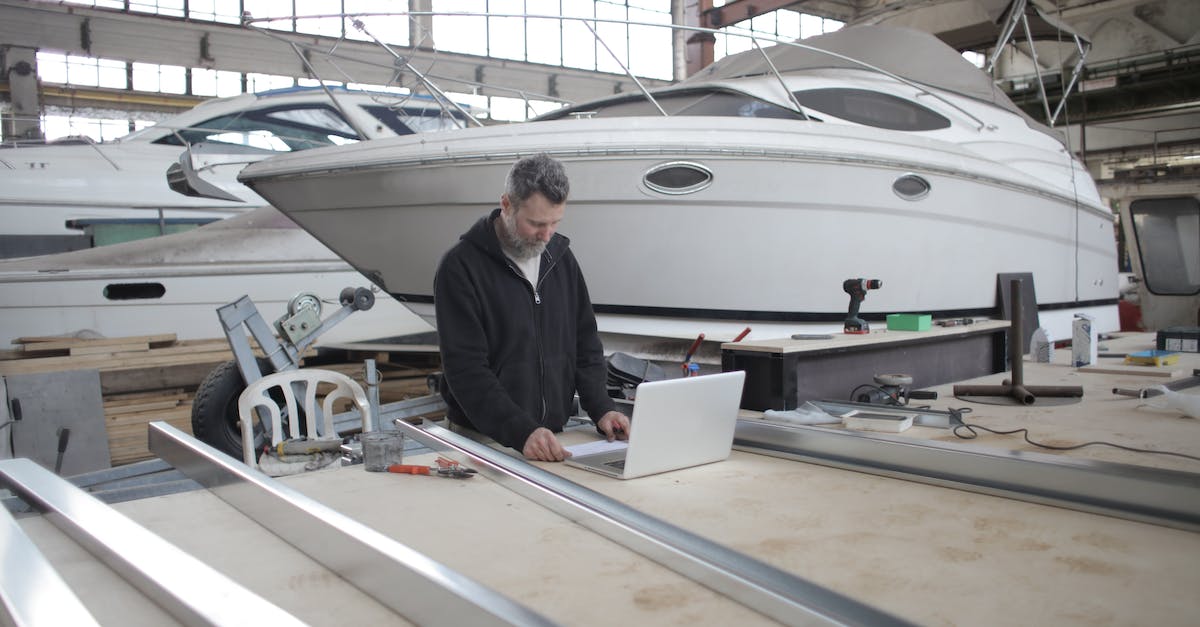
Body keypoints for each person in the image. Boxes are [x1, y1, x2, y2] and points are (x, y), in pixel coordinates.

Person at [434, 154, 631, 461]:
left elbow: (586, 345)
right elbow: (466, 371)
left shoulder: (561, 259)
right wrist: (520, 430)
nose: (547, 234)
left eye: (555, 222)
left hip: (550, 438)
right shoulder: (461, 268)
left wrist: (602, 407)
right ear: (507, 205)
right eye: (536, 223)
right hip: (482, 440)